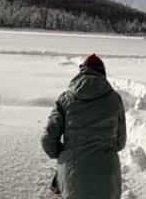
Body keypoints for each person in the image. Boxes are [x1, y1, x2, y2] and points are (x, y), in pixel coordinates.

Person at [41, 54, 126, 199]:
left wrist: (64, 153)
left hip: (73, 177)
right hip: (108, 179)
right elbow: (120, 142)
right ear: (103, 74)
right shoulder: (114, 99)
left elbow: (48, 140)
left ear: (82, 72)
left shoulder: (65, 99)